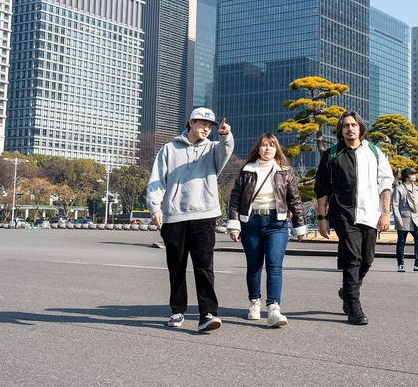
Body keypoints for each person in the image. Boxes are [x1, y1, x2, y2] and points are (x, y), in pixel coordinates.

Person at [147, 107, 234, 332]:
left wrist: (225, 135)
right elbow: (157, 180)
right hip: (174, 216)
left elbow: (226, 150)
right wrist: (155, 207)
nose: (207, 128)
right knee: (176, 267)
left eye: (211, 125)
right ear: (191, 122)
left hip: (204, 216)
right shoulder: (169, 149)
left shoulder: (214, 149)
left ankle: (207, 314)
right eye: (203, 123)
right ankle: (178, 310)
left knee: (205, 267)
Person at [314, 111, 394, 325]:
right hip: (343, 214)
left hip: (370, 214)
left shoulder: (374, 152)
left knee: (367, 259)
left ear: (360, 128)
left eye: (353, 125)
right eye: (346, 125)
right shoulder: (331, 155)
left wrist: (385, 213)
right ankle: (354, 308)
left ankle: (347, 290)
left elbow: (386, 183)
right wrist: (322, 218)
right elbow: (322, 189)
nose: (350, 128)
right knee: (353, 259)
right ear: (340, 130)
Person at [227, 133, 307, 327]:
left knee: (274, 266)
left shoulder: (285, 171)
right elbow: (235, 198)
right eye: (263, 145)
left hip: (276, 223)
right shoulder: (247, 170)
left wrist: (299, 224)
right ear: (258, 148)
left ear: (276, 149)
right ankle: (255, 303)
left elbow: (294, 199)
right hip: (251, 222)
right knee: (254, 267)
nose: (267, 149)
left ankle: (273, 309)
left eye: (271, 145)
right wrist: (234, 224)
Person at [392, 167, 418, 272]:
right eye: (412, 174)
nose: (414, 176)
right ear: (407, 177)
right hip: (403, 219)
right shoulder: (398, 189)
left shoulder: (417, 189)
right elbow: (395, 205)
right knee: (401, 242)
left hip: (416, 219)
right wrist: (398, 219)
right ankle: (401, 264)